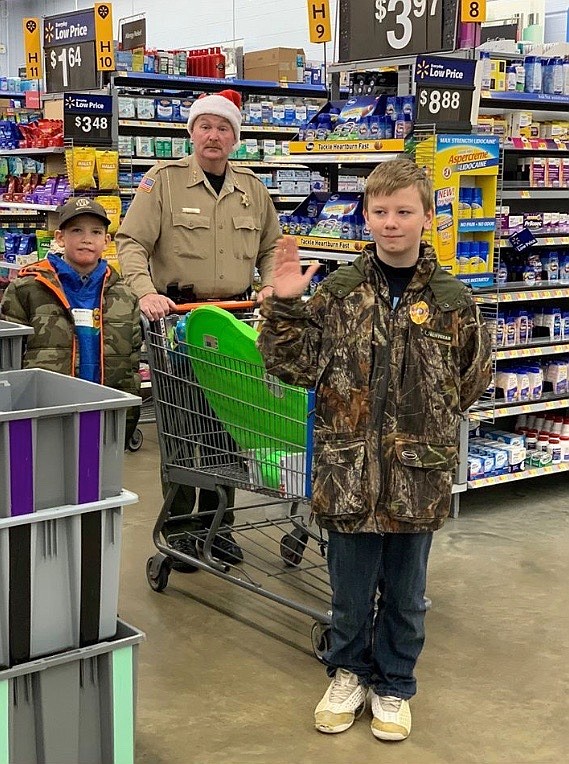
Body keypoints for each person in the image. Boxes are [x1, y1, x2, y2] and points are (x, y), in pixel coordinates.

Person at [257, 158, 492, 742]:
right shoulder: (336, 295)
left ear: (428, 217)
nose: (391, 223)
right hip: (348, 472)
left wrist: (422, 424)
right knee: (350, 590)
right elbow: (296, 366)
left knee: (408, 594)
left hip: (419, 474)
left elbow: (473, 377)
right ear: (365, 216)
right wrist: (284, 306)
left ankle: (394, 685)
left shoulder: (453, 300)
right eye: (380, 212)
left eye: (404, 212)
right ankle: (348, 673)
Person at [116, 88, 280, 566]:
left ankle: (219, 525)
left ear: (235, 138)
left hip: (235, 325)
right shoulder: (162, 182)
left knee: (229, 427)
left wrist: (269, 286)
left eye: (223, 128)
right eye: (205, 126)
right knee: (185, 428)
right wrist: (146, 291)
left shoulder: (252, 188)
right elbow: (130, 242)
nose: (214, 135)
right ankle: (183, 527)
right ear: (191, 133)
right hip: (179, 326)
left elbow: (272, 246)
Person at [1, 197, 141, 442]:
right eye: (77, 230)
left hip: (104, 413)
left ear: (107, 241)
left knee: (97, 477)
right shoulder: (27, 289)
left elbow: (131, 363)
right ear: (60, 237)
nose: (87, 238)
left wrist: (127, 417)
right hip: (44, 413)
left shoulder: (125, 297)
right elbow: (8, 360)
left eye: (96, 232)